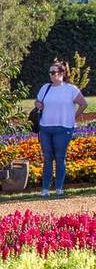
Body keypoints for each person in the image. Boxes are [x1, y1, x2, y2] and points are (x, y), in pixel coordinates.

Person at [35, 59, 88, 196]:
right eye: (50, 72)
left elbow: (83, 104)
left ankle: (59, 188)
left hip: (63, 128)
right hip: (45, 128)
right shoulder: (45, 87)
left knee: (60, 157)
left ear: (62, 73)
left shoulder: (71, 89)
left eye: (54, 72)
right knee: (47, 159)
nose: (51, 75)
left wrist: (73, 117)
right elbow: (38, 100)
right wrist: (38, 104)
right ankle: (45, 189)